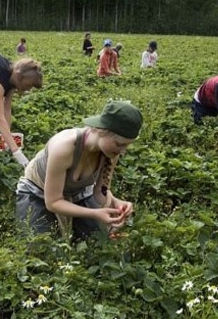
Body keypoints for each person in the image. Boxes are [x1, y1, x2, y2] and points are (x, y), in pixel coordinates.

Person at [16, 101, 143, 240]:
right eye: (120, 144)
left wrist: (115, 203)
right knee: (39, 247)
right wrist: (94, 213)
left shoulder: (111, 153)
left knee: (97, 240)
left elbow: (101, 193)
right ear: (102, 131)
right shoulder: (64, 147)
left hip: (79, 194)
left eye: (127, 146)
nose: (123, 151)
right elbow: (53, 202)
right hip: (38, 193)